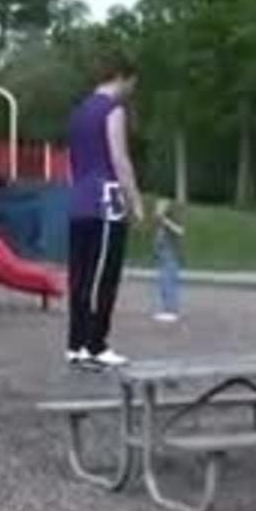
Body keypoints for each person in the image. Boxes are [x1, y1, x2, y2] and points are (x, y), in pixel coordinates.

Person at [65, 52, 144, 369]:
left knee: (80, 274)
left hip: (79, 200)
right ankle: (94, 343)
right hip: (105, 201)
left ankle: (76, 342)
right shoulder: (112, 110)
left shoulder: (79, 111)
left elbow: (74, 161)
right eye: (132, 83)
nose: (132, 90)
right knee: (103, 276)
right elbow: (119, 158)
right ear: (122, 78)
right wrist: (135, 199)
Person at [153, 197, 185, 323]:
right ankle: (166, 309)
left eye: (160, 207)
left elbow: (180, 231)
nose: (157, 210)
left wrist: (165, 221)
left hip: (171, 256)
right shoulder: (160, 224)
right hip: (163, 256)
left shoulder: (170, 220)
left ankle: (171, 311)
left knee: (169, 283)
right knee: (164, 284)